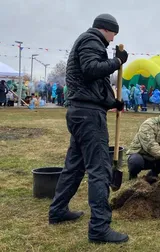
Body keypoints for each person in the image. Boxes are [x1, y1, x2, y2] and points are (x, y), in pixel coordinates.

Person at [48, 14, 129, 244]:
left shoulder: (90, 42)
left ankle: (58, 210)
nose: (113, 40)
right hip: (88, 117)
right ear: (106, 30)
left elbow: (92, 83)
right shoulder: (91, 41)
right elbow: (92, 69)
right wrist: (117, 62)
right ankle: (99, 228)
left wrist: (112, 102)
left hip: (81, 112)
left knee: (74, 167)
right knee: (99, 169)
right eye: (114, 34)